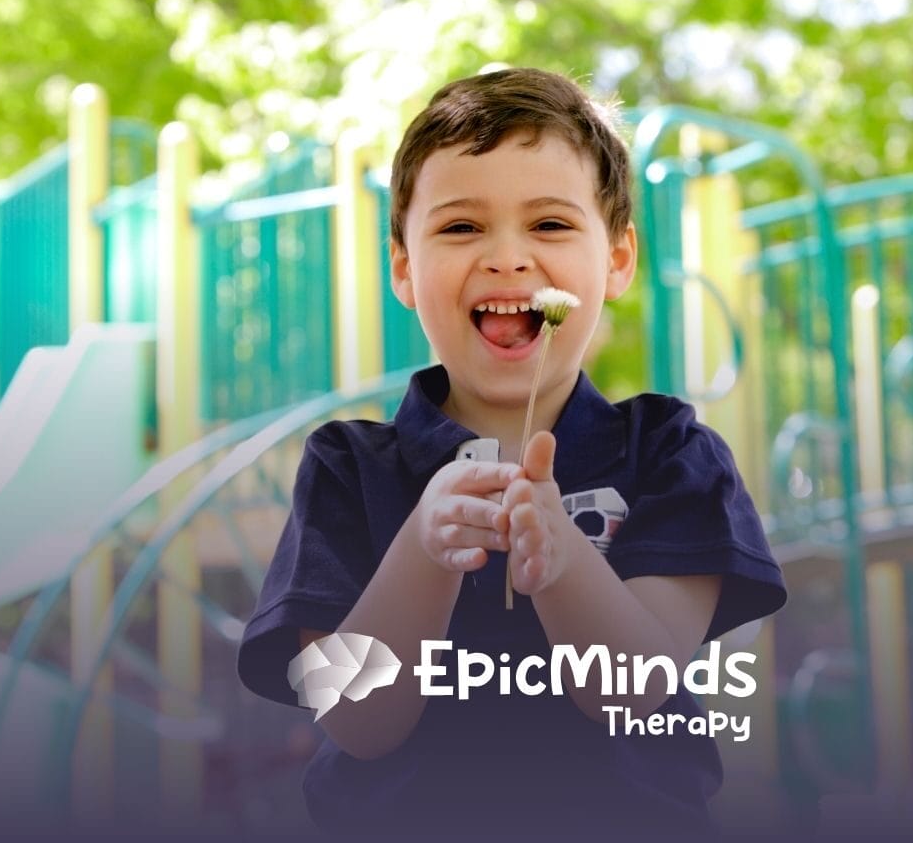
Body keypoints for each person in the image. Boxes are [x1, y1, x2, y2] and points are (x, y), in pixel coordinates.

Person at [237, 67, 787, 841]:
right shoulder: (346, 468)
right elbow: (355, 719)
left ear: (619, 259)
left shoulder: (672, 454)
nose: (507, 257)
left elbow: (634, 689)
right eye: (461, 227)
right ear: (403, 265)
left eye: (551, 226)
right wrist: (423, 551)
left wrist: (563, 559)